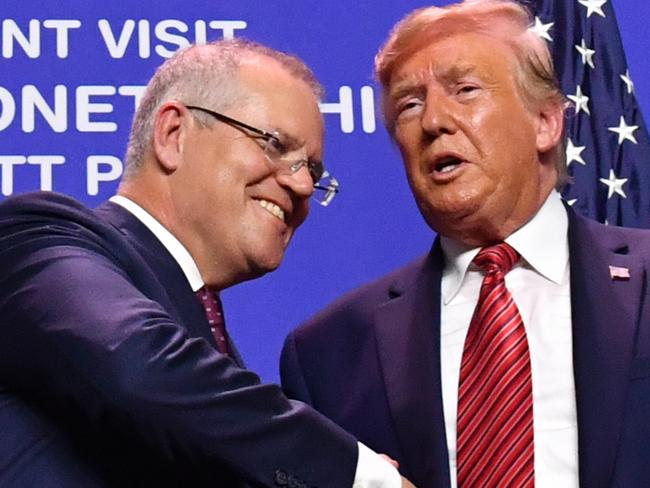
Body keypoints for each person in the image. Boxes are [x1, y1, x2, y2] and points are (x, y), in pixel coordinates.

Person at [0, 39, 414, 487]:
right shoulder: (39, 235)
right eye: (275, 144)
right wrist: (359, 474)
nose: (301, 186)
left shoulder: (220, 371)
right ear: (173, 134)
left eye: (312, 171)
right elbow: (136, 364)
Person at [280, 1, 650, 487]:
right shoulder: (328, 352)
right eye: (410, 105)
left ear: (545, 122)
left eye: (465, 90)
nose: (433, 121)